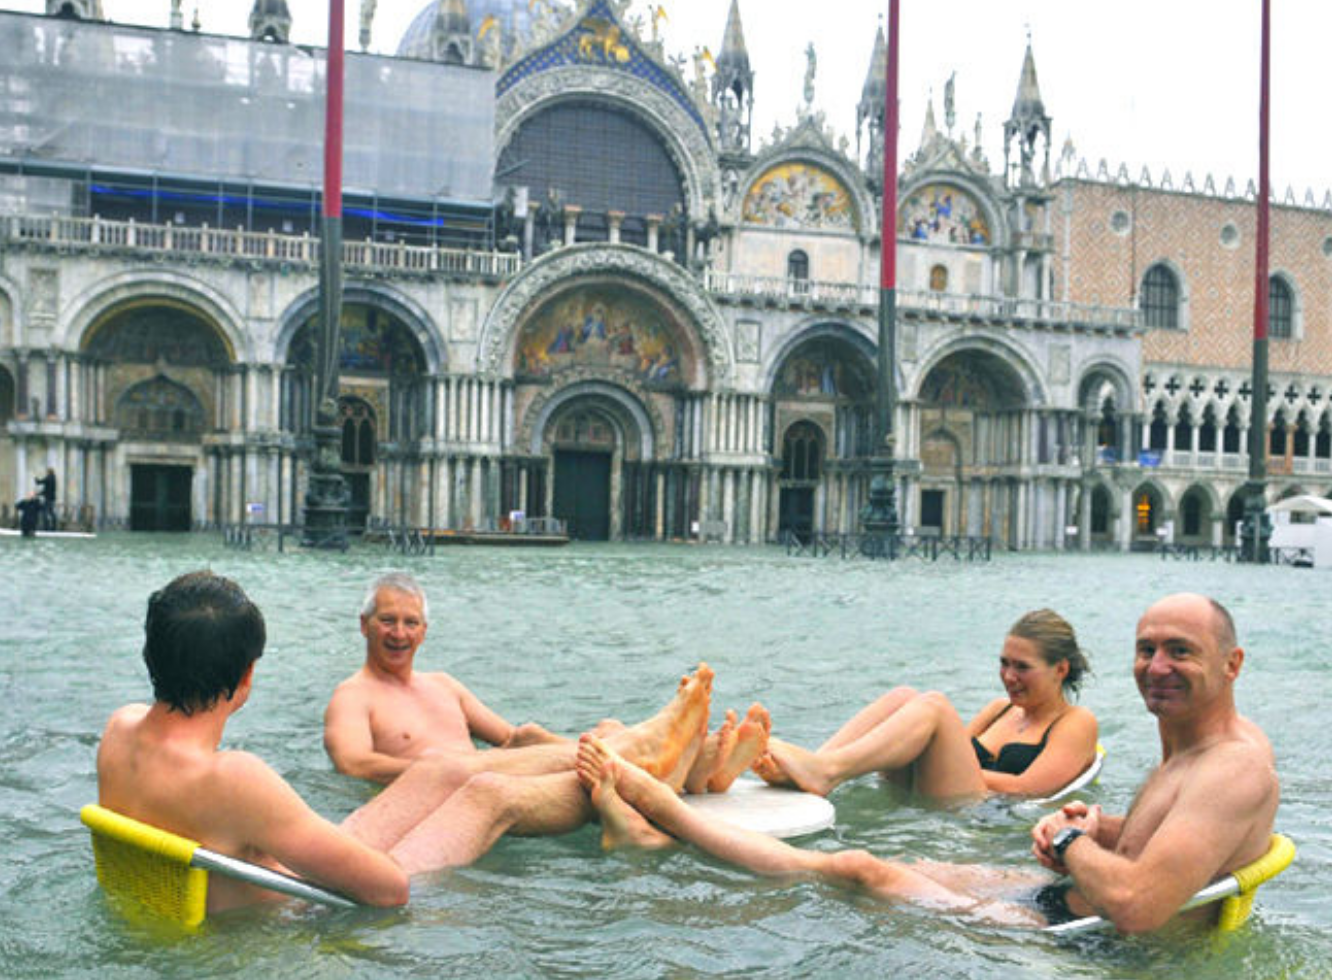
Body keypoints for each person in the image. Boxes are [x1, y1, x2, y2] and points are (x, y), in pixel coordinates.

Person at [574, 594, 1279, 933]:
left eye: (1179, 651)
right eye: (1147, 648)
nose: (1157, 666)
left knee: (857, 868)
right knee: (875, 849)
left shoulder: (1233, 766)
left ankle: (666, 811)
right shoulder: (1192, 755)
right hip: (1054, 894)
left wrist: (1066, 839)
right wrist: (1099, 828)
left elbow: (1137, 906)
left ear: (1231, 663)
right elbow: (1172, 847)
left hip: (1077, 940)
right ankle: (767, 773)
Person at [97, 571, 713, 915]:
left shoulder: (121, 731)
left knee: (444, 768)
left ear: (152, 654)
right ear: (247, 678)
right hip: (299, 906)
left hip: (259, 881)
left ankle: (635, 748)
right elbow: (389, 891)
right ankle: (642, 766)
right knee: (486, 794)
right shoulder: (233, 779)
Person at [324, 572, 768, 796]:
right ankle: (667, 760)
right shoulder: (353, 696)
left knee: (548, 732)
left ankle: (675, 762)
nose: (399, 633)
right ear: (364, 626)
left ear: (424, 631)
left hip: (490, 776)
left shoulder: (442, 684)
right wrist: (443, 768)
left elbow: (512, 738)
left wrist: (524, 748)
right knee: (592, 758)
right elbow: (354, 766)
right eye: (387, 621)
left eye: (410, 623)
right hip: (451, 790)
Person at [753, 609, 1098, 801]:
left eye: (1022, 667)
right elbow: (949, 751)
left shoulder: (1076, 722)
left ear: (1061, 670)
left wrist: (947, 766)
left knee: (934, 705)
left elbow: (1028, 790)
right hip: (945, 793)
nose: (1008, 676)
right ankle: (813, 765)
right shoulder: (999, 709)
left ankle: (825, 770)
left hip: (981, 811)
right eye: (1004, 663)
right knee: (904, 697)